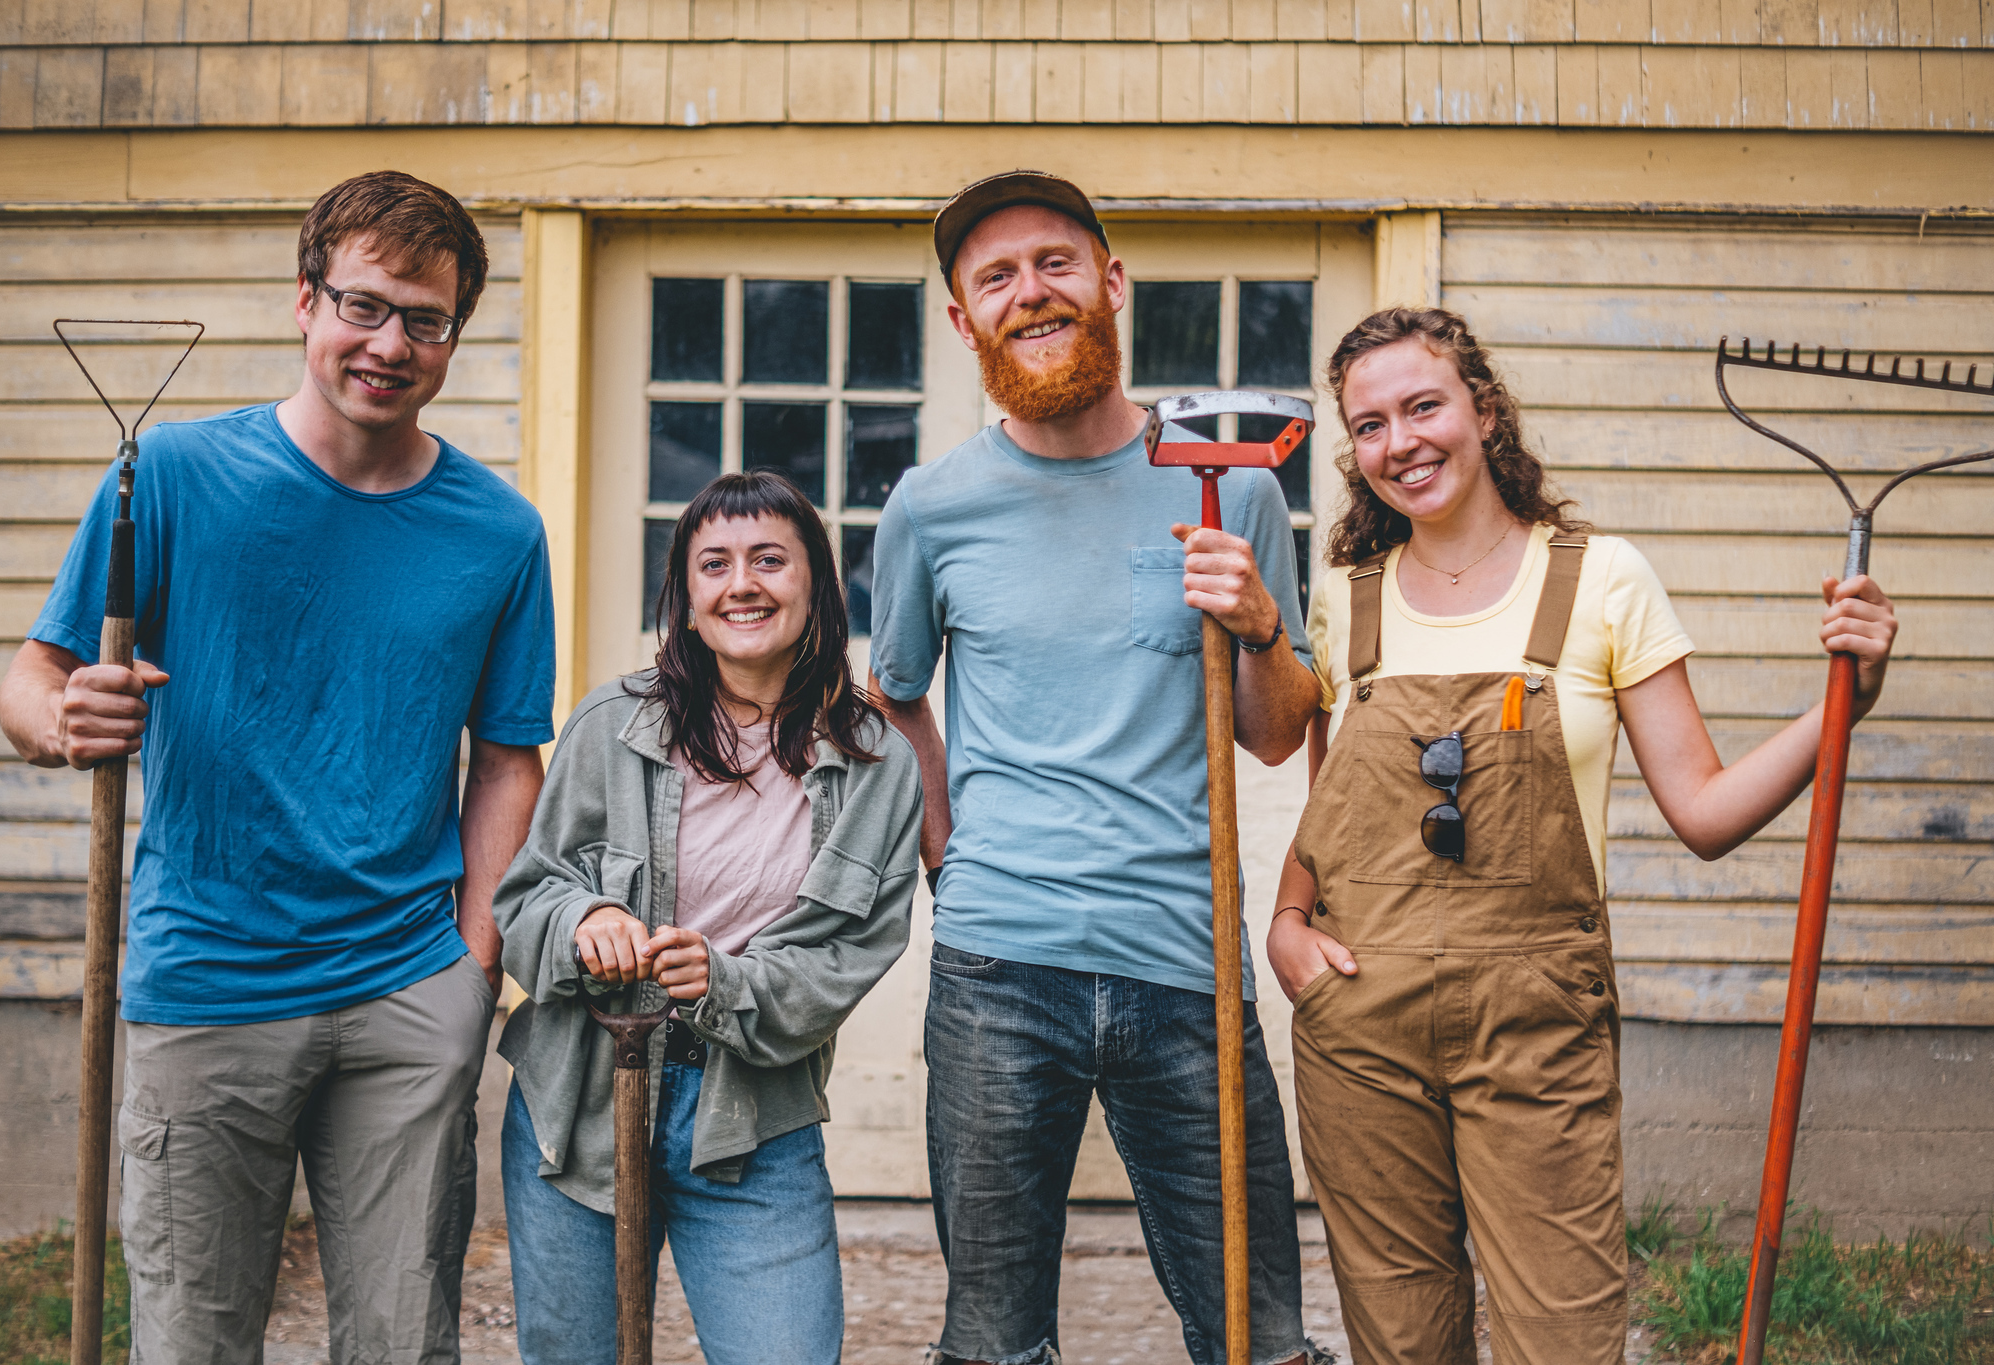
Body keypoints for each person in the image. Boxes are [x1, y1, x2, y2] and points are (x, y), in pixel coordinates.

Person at [1268, 306, 1900, 1365]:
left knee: (1558, 1333)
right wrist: (1286, 921)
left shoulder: (1601, 578)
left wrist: (1845, 704)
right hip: (1357, 1018)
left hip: (1533, 1020)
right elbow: (1332, 806)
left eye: (1423, 406)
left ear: (1482, 409)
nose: (1400, 442)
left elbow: (1702, 813)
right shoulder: (1345, 596)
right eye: (1368, 425)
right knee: (1398, 1337)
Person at [0, 171, 554, 1361]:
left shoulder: (498, 532)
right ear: (304, 302)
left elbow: (508, 759)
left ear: (455, 334)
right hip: (207, 980)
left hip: (410, 987)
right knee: (193, 1339)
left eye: (425, 319)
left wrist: (472, 968)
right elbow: (30, 682)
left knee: (403, 1341)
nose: (389, 343)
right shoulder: (175, 479)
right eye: (363, 305)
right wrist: (64, 722)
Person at [869, 170, 1335, 1365]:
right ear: (963, 319)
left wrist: (1257, 628)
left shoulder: (1230, 483)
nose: (1032, 293)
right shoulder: (931, 507)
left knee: (1256, 1331)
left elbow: (1277, 732)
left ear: (1110, 283)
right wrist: (950, 863)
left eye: (1056, 263)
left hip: (1186, 962)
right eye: (996, 278)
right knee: (990, 1340)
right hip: (998, 966)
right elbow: (899, 699)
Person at [493, 470, 923, 1364]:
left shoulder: (877, 762)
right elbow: (524, 895)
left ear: (817, 587)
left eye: (771, 559)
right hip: (579, 1100)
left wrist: (723, 981)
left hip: (750, 1121)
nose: (743, 584)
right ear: (686, 600)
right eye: (715, 564)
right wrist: (584, 919)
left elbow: (851, 952)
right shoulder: (612, 723)